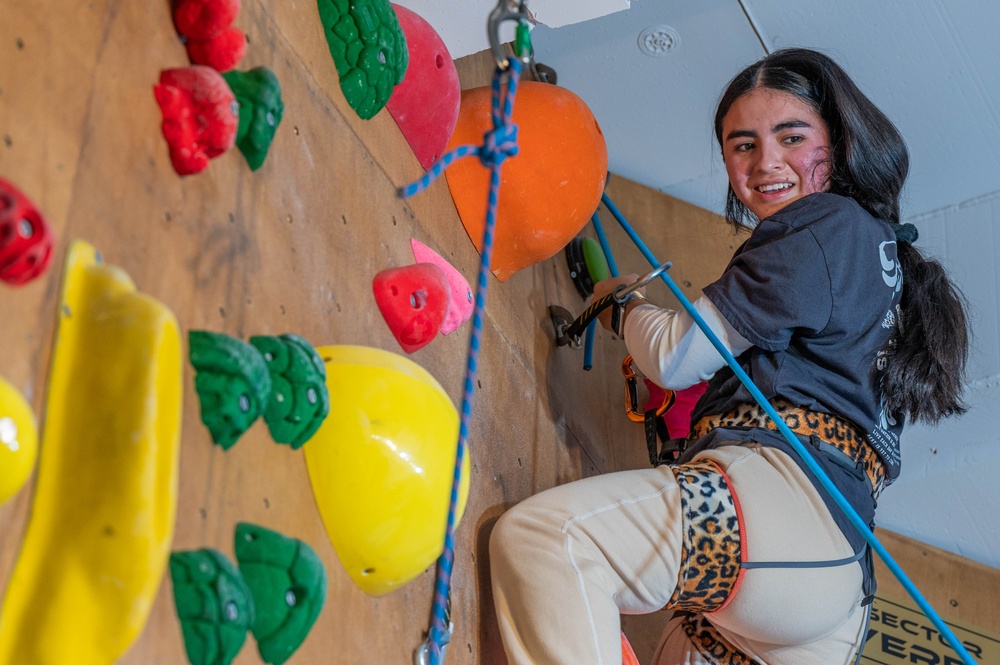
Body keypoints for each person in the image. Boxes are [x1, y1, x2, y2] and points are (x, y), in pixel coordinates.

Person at [489, 47, 970, 664]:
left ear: (841, 142)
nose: (766, 161)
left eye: (791, 136)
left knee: (549, 539)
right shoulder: (883, 265)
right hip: (829, 595)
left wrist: (621, 303)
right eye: (742, 145)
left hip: (780, 514)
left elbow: (674, 354)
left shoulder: (826, 225)